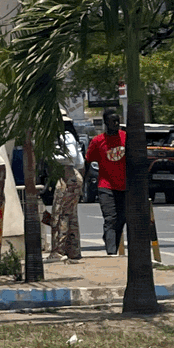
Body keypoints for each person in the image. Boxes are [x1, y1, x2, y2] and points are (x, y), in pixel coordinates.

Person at [84, 109, 127, 255]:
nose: (116, 123)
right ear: (106, 122)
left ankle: (110, 240)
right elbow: (88, 162)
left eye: (117, 120)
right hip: (105, 186)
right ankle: (111, 252)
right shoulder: (97, 141)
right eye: (113, 121)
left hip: (123, 186)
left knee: (121, 219)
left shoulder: (125, 137)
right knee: (110, 218)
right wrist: (84, 182)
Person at [51, 156, 82, 261]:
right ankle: (73, 250)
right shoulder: (73, 141)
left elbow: (70, 156)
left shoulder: (63, 141)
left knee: (60, 214)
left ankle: (59, 251)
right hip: (73, 174)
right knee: (71, 214)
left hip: (66, 175)